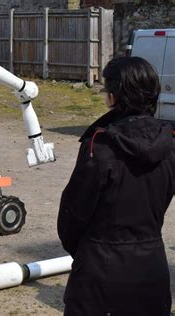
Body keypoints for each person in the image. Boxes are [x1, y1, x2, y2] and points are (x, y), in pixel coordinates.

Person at [58, 56, 173, 315]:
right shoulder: (169, 145)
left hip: (100, 273)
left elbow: (72, 215)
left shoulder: (100, 147)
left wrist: (89, 250)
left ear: (113, 97)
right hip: (151, 266)